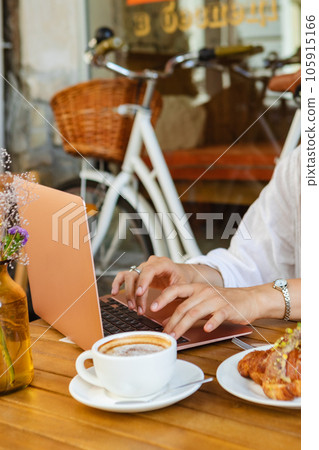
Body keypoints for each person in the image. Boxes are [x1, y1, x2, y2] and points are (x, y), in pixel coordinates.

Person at [112, 147, 301, 339]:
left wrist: (256, 298)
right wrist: (191, 273)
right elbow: (251, 263)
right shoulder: (300, 164)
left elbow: (251, 296)